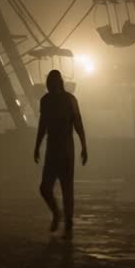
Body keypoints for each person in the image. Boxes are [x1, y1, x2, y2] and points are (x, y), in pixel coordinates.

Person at [33, 69, 87, 238]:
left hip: (65, 151)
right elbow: (43, 125)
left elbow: (78, 124)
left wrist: (84, 146)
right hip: (53, 150)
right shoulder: (46, 101)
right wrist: (37, 146)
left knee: (66, 188)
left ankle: (67, 222)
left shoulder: (69, 100)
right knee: (45, 188)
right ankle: (58, 213)